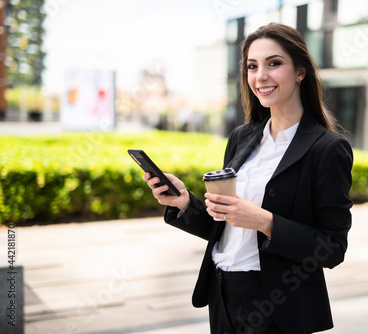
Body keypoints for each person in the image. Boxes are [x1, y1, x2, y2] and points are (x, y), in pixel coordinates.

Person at [143, 22, 353, 334]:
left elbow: (331, 248)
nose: (260, 76)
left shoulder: (326, 149)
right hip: (223, 291)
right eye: (252, 66)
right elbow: (226, 226)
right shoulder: (243, 137)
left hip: (275, 304)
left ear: (300, 72)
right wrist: (185, 203)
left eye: (274, 63)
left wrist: (264, 221)